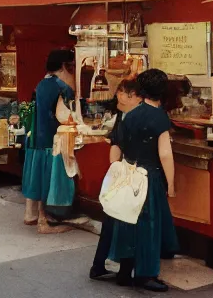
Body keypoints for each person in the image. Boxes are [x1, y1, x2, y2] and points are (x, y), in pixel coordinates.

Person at [107, 69, 179, 292]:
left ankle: (124, 271)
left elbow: (117, 145)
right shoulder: (159, 117)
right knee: (149, 226)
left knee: (129, 222)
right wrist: (172, 184)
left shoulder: (130, 114)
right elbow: (165, 153)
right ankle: (146, 275)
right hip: (150, 177)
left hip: (129, 173)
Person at [89, 80, 142, 280]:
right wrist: (118, 170)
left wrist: (115, 170)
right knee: (127, 220)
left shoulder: (124, 116)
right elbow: (117, 143)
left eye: (121, 93)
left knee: (113, 220)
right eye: (119, 93)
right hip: (129, 173)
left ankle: (100, 265)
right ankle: (124, 271)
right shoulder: (129, 116)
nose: (117, 96)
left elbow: (115, 143)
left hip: (121, 172)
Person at [22, 49, 78, 234]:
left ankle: (32, 215)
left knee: (36, 176)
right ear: (64, 66)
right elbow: (68, 114)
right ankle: (43, 222)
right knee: (47, 178)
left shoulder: (42, 83)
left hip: (36, 136)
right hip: (51, 138)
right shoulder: (61, 86)